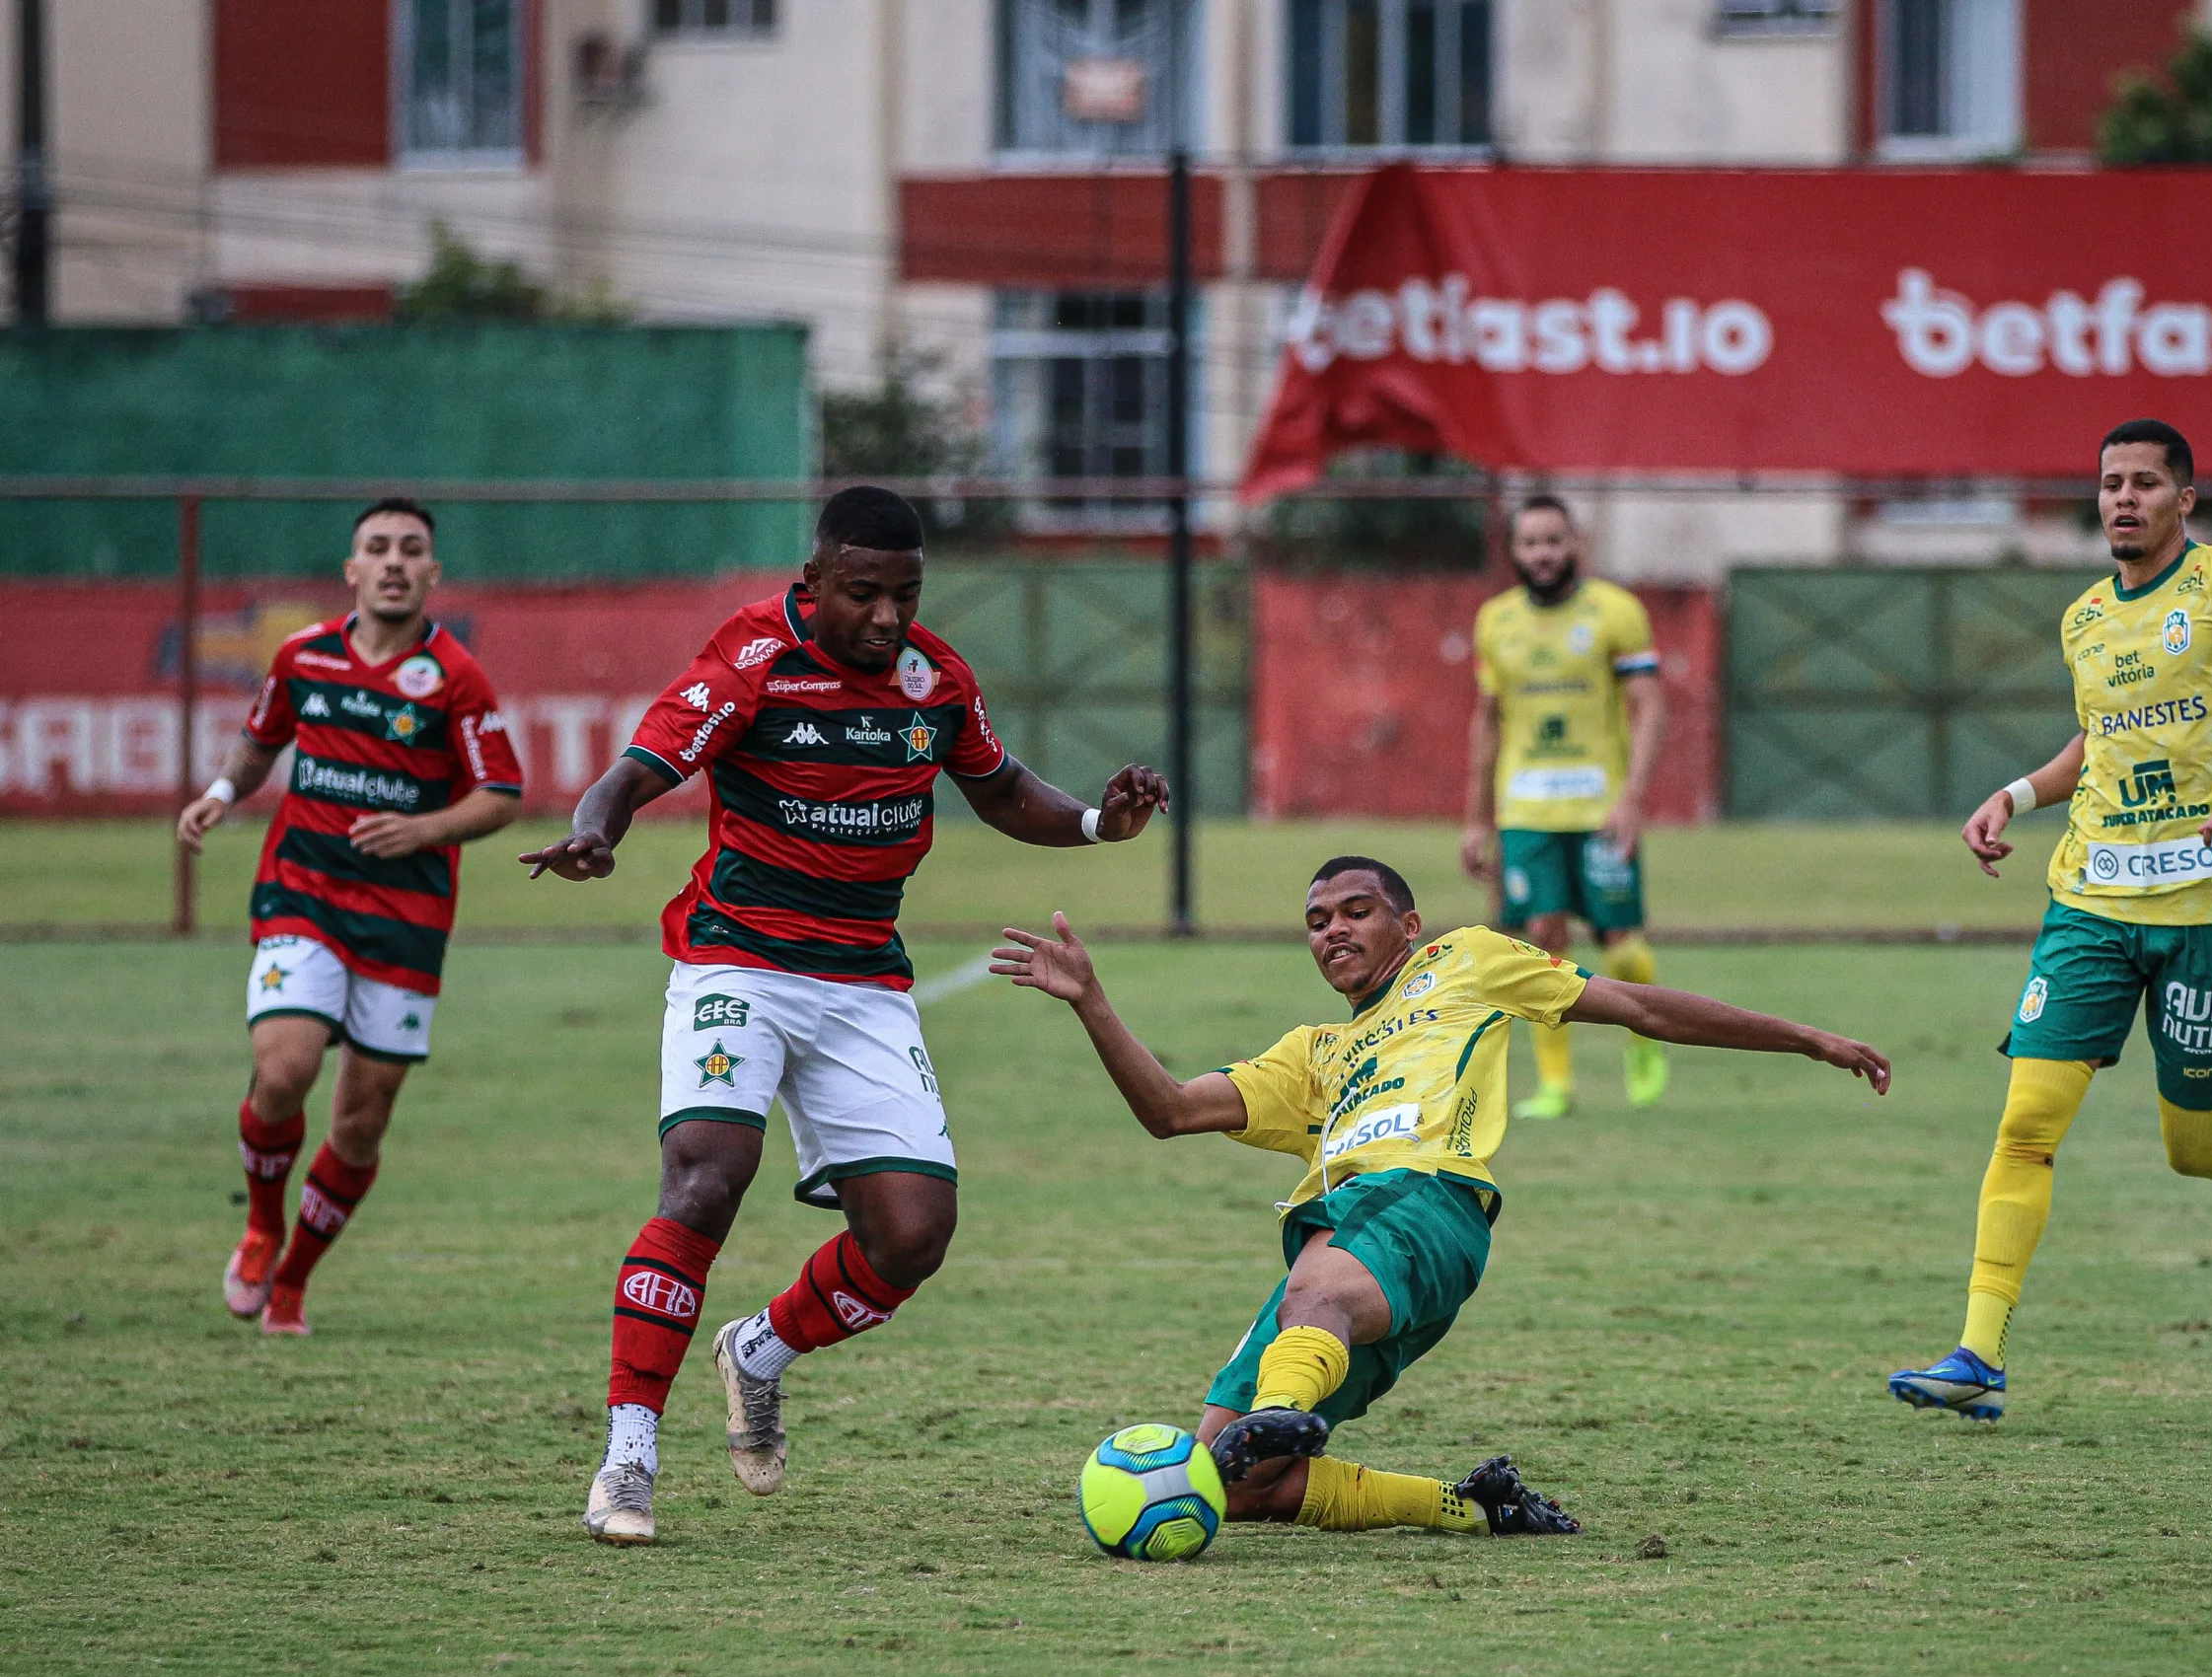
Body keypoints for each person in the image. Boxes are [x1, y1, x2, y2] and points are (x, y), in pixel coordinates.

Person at [523, 486, 1168, 1547]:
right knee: (704, 1178)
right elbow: (640, 768)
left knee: (913, 1237)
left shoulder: (934, 677)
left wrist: (1101, 821)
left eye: (905, 594)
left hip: (864, 980)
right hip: (739, 958)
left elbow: (1000, 789)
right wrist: (596, 829)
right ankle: (628, 1456)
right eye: (862, 593)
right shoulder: (751, 660)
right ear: (812, 582)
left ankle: (760, 1352)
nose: (886, 617)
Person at [992, 856, 1889, 1540]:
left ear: (1409, 925)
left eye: (1356, 911)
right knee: (1231, 1485)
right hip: (1346, 1246)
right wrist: (1091, 1001)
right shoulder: (1313, 1052)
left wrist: (1803, 1036)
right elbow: (1172, 1110)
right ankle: (1471, 1507)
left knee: (1313, 1290)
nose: (1333, 929)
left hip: (1425, 1204)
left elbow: (1641, 1009)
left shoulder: (1466, 961)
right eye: (1315, 920)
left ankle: (1284, 1400)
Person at [1888, 419, 2212, 1423]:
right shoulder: (2083, 619)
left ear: (2182, 501)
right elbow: (2097, 743)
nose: (2122, 498)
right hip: (2088, 905)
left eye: (2145, 483)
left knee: (2192, 1146)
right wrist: (2015, 797)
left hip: (2211, 912)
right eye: (2109, 482)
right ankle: (1976, 1356)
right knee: (2024, 1126)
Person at [178, 498, 523, 1336]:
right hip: (304, 892)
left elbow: (503, 793)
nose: (395, 560)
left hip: (406, 921)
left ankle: (293, 1277)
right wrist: (223, 792)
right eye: (378, 547)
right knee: (285, 1066)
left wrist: (425, 829)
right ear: (353, 570)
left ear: (433, 572)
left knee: (361, 1122)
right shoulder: (302, 655)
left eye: (412, 548)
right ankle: (262, 1225)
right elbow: (262, 739)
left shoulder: (455, 676)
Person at [1459, 494, 1669, 1121]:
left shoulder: (1616, 612)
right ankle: (1557, 1086)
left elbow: (1651, 706)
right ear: (1514, 551)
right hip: (1525, 811)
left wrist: (1632, 798)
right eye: (1530, 543)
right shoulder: (1495, 621)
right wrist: (1475, 817)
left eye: (1554, 541)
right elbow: (1488, 720)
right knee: (1542, 943)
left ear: (1574, 544)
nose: (1543, 553)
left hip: (1600, 807)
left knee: (1619, 943)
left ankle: (1646, 1042)